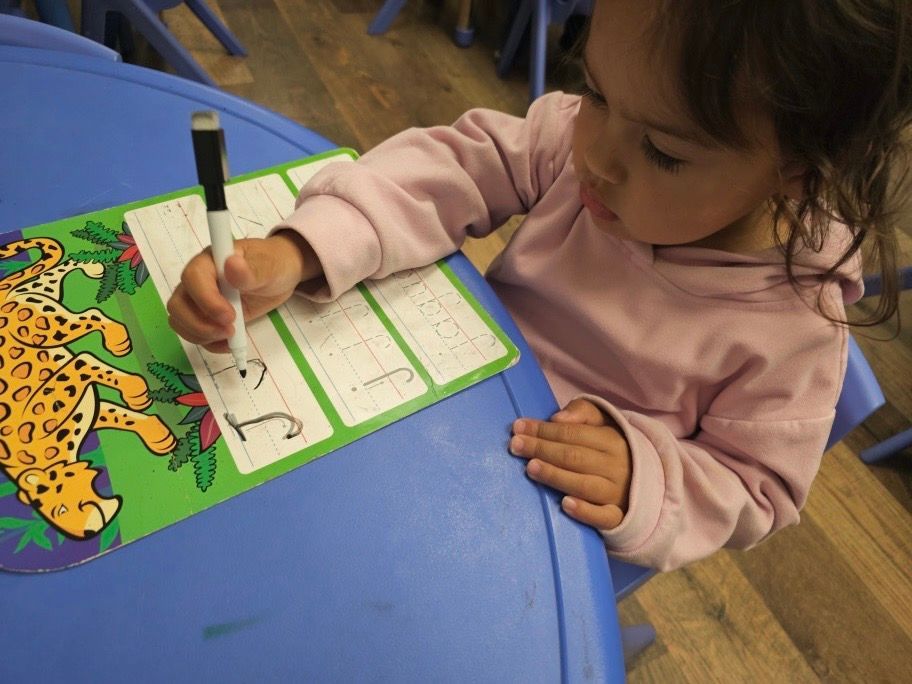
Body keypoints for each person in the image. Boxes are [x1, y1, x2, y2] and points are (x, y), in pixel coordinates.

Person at [166, 0, 911, 570]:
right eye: (595, 91)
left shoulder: (797, 334)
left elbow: (757, 491)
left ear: (797, 170)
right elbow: (458, 165)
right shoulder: (578, 144)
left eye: (662, 151)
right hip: (419, 411)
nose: (595, 154)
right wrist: (302, 249)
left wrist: (646, 474)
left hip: (532, 533)